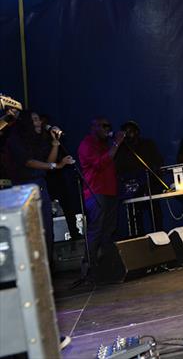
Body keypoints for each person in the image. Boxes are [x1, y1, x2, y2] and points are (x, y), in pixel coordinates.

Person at [6, 111, 75, 263]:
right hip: (23, 189)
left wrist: (55, 143)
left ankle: (48, 269)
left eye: (39, 120)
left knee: (47, 232)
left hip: (40, 186)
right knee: (31, 233)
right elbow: (29, 162)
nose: (40, 123)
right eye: (36, 120)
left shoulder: (37, 140)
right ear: (26, 123)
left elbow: (47, 163)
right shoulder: (15, 140)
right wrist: (56, 165)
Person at [77, 117, 125, 280]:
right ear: (94, 127)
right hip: (95, 192)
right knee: (96, 229)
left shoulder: (106, 144)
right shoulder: (87, 144)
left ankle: (105, 265)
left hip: (110, 191)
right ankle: (88, 267)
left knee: (108, 229)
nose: (107, 128)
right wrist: (116, 144)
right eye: (104, 126)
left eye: (109, 126)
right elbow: (99, 164)